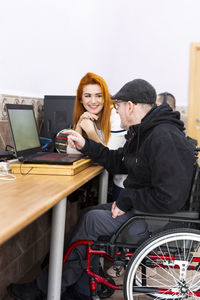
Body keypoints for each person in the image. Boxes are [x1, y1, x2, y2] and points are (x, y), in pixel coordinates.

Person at [8, 79, 196, 300]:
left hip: (160, 220)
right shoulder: (146, 132)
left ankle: (48, 288)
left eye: (118, 106)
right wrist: (86, 145)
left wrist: (128, 200)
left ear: (130, 106)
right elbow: (119, 161)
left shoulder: (163, 137)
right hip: (152, 211)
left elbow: (170, 196)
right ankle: (78, 287)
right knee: (88, 214)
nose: (116, 110)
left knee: (92, 221)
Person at [66, 72, 127, 201]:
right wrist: (78, 126)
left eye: (98, 96)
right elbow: (72, 154)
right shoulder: (85, 115)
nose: (93, 101)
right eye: (87, 96)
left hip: (125, 186)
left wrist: (91, 132)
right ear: (81, 99)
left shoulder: (116, 115)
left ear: (105, 98)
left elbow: (110, 157)